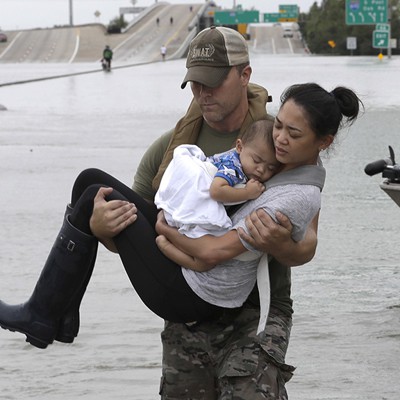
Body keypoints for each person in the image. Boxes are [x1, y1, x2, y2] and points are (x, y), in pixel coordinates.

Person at [155, 119, 282, 240]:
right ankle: (166, 245)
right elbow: (216, 191)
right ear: (239, 147)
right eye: (256, 160)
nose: (261, 169)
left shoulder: (240, 161)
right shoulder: (233, 167)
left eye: (270, 168)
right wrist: (248, 193)